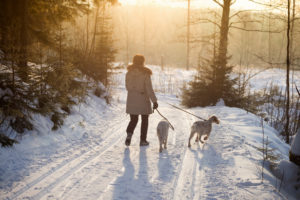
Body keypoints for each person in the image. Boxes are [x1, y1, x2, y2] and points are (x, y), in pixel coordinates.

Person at [125, 55, 158, 146]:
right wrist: (154, 101)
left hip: (132, 99)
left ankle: (129, 134)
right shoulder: (145, 73)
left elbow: (127, 87)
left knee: (133, 119)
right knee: (144, 119)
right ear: (143, 62)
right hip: (143, 99)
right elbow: (149, 89)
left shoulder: (128, 73)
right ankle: (143, 140)